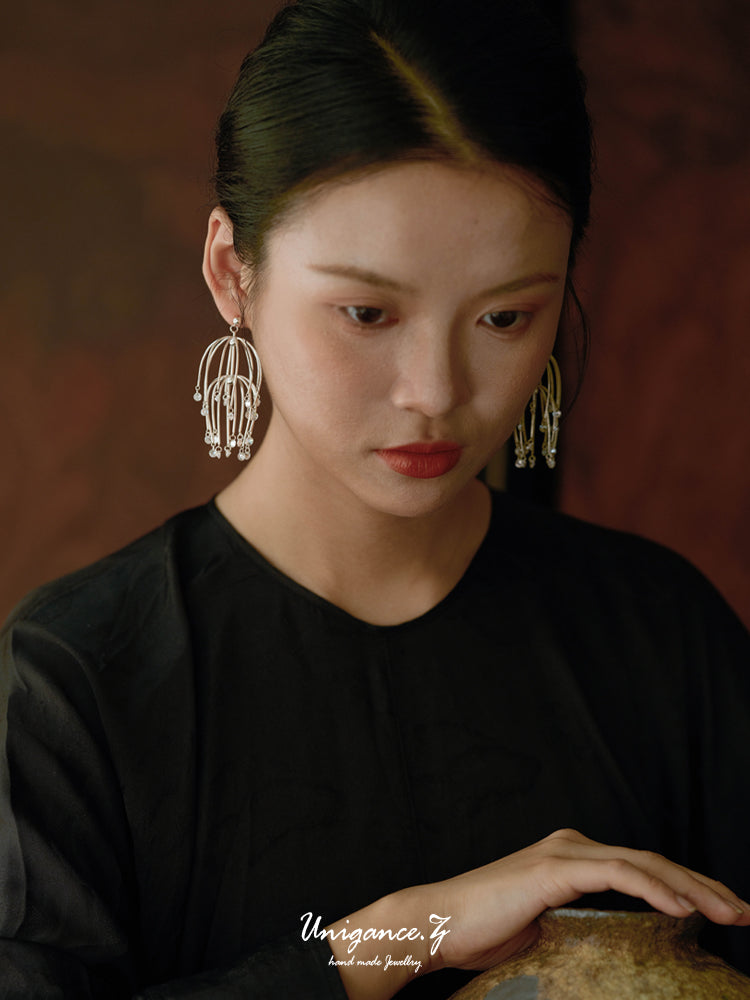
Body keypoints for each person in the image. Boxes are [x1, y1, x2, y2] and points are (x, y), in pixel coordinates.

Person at [1, 0, 749, 997]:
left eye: (505, 315)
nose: (435, 390)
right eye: (366, 311)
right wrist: (401, 935)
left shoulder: (664, 637)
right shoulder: (77, 678)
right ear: (234, 274)